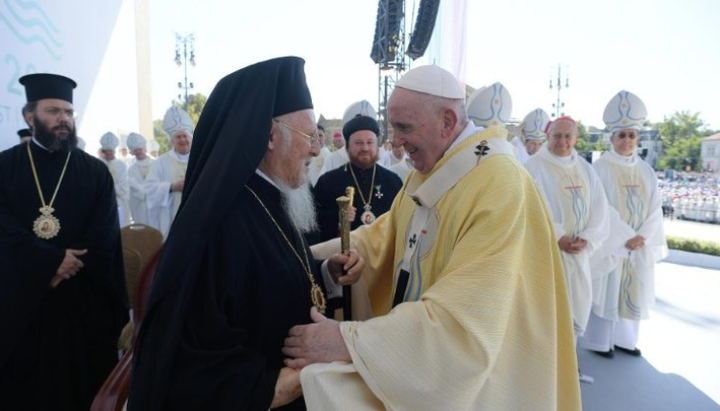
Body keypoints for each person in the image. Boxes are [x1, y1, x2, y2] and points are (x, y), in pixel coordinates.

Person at [286, 65, 581, 410]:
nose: (395, 141)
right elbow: (380, 238)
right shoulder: (431, 170)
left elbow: (464, 322)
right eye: (394, 127)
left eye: (404, 128)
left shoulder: (500, 184)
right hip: (419, 368)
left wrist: (350, 341)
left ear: (447, 122)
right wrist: (300, 259)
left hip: (481, 383)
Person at [129, 56, 365, 411]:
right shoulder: (219, 225)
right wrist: (288, 383)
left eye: (317, 136)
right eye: (309, 136)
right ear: (270, 135)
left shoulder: (278, 198)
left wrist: (324, 275)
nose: (317, 149)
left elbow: (266, 285)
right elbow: (197, 362)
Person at [0, 73, 128, 410]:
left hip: (81, 301)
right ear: (30, 116)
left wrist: (64, 267)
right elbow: (3, 227)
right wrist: (49, 263)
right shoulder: (5, 167)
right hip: (26, 303)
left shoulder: (94, 171)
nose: (64, 120)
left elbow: (103, 235)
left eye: (68, 112)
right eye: (54, 111)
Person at [580, 91, 668, 358]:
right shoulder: (600, 168)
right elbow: (599, 207)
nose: (627, 140)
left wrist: (643, 236)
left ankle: (625, 341)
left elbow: (656, 208)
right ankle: (600, 342)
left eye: (632, 135)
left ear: (638, 139)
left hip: (637, 245)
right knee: (606, 288)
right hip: (612, 245)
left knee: (632, 289)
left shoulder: (646, 170)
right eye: (622, 135)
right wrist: (625, 237)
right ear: (612, 138)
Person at [524, 116, 610, 337]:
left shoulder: (585, 168)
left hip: (578, 253)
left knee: (573, 311)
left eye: (568, 136)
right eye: (557, 136)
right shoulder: (532, 167)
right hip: (547, 253)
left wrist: (588, 238)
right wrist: (557, 236)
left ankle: (569, 364)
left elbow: (600, 207)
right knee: (546, 313)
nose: (563, 141)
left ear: (576, 138)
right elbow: (527, 209)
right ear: (548, 137)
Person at [312, 101, 403, 243]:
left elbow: (402, 225)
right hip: (344, 261)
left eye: (370, 142)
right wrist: (337, 217)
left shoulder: (393, 181)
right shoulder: (327, 183)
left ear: (377, 145)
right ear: (347, 146)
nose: (365, 148)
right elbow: (314, 226)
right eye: (358, 143)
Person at [144, 107, 194, 239]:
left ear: (190, 137)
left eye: (185, 136)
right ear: (172, 140)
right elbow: (149, 188)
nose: (183, 139)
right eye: (178, 137)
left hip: (195, 213)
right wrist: (171, 187)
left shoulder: (199, 159)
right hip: (171, 218)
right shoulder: (161, 162)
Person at [100, 131, 131, 226]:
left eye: (111, 151)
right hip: (103, 202)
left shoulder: (121, 165)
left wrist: (108, 188)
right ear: (104, 151)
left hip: (119, 202)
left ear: (114, 151)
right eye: (107, 151)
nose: (109, 153)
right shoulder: (99, 164)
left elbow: (124, 184)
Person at [126, 132, 155, 225]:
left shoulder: (156, 164)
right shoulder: (131, 169)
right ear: (132, 152)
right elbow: (132, 186)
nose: (138, 152)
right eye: (136, 150)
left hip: (155, 202)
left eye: (140, 149)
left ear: (145, 149)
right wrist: (145, 191)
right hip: (140, 206)